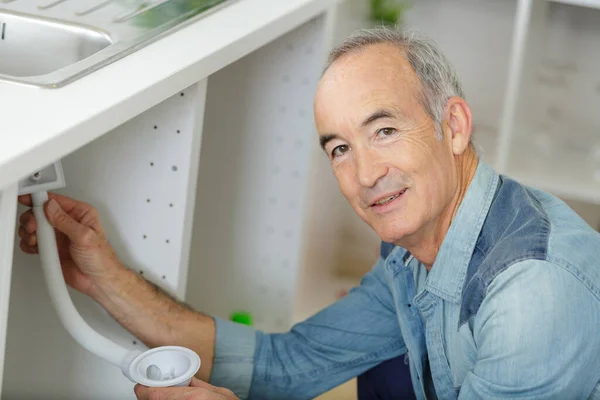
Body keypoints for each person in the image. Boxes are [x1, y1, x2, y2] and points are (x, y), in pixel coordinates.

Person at [17, 26, 600, 400]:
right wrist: (106, 280)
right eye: (341, 148)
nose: (366, 174)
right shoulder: (415, 248)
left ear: (453, 126)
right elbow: (288, 363)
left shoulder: (532, 294)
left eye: (385, 130)